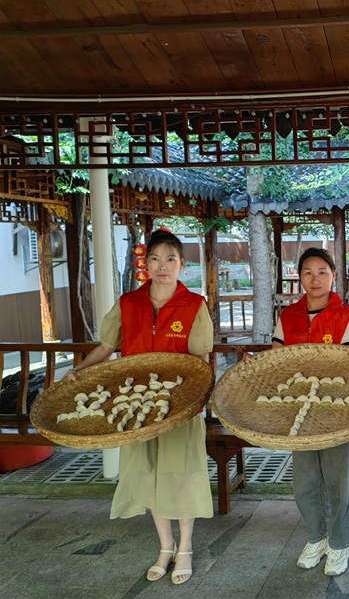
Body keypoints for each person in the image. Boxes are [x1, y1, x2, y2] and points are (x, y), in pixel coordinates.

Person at [67, 229, 213, 585]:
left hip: (178, 409)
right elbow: (106, 347)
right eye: (155, 259)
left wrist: (195, 402)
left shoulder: (194, 305)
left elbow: (201, 360)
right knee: (147, 475)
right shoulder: (128, 303)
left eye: (171, 259)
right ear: (145, 263)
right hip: (136, 408)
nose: (163, 266)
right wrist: (79, 370)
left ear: (182, 264)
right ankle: (165, 547)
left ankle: (186, 548)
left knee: (179, 475)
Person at [272, 247, 349, 576]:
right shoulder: (288, 317)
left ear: (334, 275)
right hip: (300, 414)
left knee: (340, 481)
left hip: (338, 413)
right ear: (300, 278)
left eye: (322, 271)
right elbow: (277, 359)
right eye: (308, 272)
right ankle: (316, 537)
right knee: (305, 483)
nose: (315, 278)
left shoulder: (345, 316)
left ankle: (340, 543)